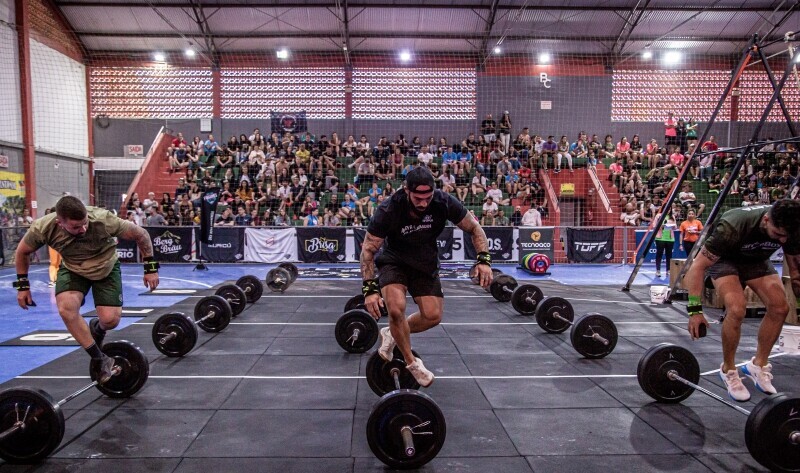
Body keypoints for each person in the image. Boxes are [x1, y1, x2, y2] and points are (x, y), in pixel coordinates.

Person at [360, 167, 492, 387]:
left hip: (425, 263)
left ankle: (393, 332)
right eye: (417, 198)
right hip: (394, 261)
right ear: (406, 191)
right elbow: (368, 249)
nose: (423, 203)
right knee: (395, 309)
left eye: (427, 198)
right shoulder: (389, 209)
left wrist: (484, 261)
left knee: (433, 316)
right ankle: (412, 364)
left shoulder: (443, 202)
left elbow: (475, 228)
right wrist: (370, 290)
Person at [14, 196, 159, 383]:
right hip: (74, 269)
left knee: (110, 320)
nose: (82, 229)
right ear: (60, 223)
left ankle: (97, 329)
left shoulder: (102, 219)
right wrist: (23, 287)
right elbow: (22, 252)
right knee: (66, 308)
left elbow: (141, 234)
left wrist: (151, 269)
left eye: (84, 224)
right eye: (76, 227)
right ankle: (100, 359)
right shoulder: (43, 228)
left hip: (105, 267)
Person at [684, 200, 800, 401]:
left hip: (755, 260)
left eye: (786, 237)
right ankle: (728, 369)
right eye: (778, 234)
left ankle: (758, 365)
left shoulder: (791, 229)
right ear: (766, 220)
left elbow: (795, 268)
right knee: (737, 309)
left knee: (780, 307)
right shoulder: (733, 226)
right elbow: (696, 268)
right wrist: (695, 311)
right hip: (724, 260)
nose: (782, 240)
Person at [654, 213, 677, 278]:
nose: (669, 209)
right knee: (659, 254)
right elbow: (654, 225)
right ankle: (658, 270)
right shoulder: (658, 215)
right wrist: (661, 226)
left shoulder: (672, 216)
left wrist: (672, 226)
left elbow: (675, 227)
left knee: (669, 255)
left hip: (670, 239)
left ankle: (668, 270)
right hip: (660, 238)